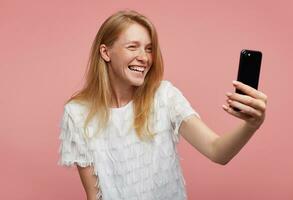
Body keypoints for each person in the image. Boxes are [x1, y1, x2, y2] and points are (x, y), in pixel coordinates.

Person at [57, 10, 267, 200]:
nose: (144, 58)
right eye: (133, 47)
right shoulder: (77, 114)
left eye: (149, 49)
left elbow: (217, 151)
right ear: (105, 53)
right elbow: (95, 196)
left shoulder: (164, 97)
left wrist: (251, 125)